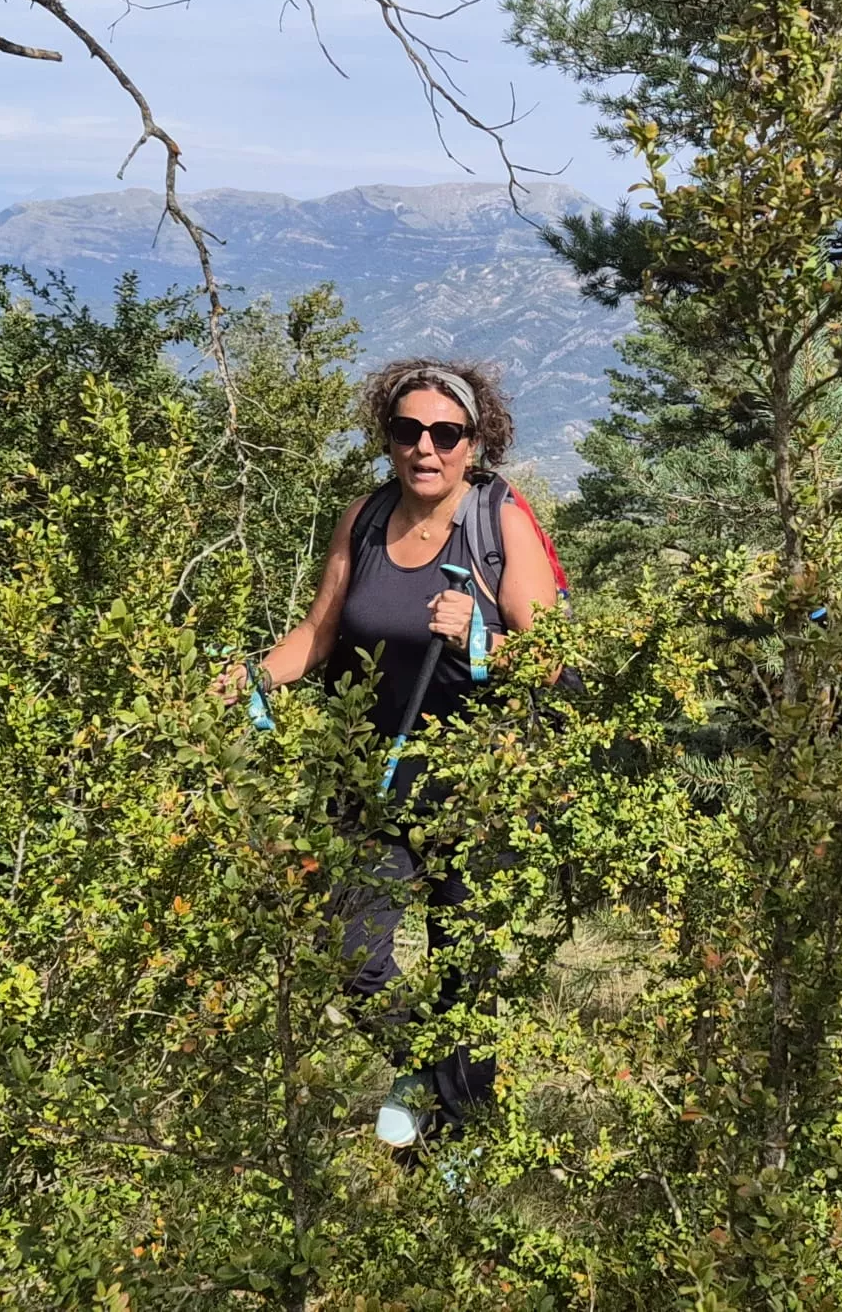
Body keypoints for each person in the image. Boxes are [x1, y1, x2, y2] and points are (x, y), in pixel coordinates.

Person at [215, 358, 560, 1147]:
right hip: (368, 781)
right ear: (388, 438)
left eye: (446, 433)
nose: (425, 448)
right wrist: (246, 676)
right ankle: (434, 1090)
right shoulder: (365, 519)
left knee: (461, 979)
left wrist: (481, 636)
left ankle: (460, 1157)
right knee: (350, 955)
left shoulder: (498, 521)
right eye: (408, 431)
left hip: (473, 788)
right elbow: (318, 634)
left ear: (476, 441)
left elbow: (555, 659)